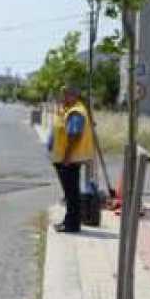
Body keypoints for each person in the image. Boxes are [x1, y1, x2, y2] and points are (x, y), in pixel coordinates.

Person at [49, 85, 95, 233]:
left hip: (69, 160)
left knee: (71, 194)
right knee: (69, 194)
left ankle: (72, 225)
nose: (62, 98)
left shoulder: (76, 112)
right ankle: (69, 221)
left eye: (66, 95)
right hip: (64, 159)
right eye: (62, 95)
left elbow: (73, 136)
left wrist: (67, 157)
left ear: (74, 96)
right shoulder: (68, 109)